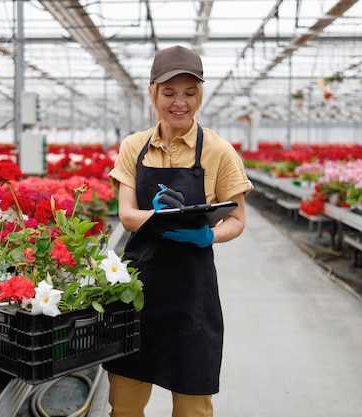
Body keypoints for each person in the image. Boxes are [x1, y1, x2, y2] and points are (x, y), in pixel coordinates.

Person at [102, 45, 254, 417]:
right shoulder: (134, 147)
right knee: (124, 399)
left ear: (199, 95)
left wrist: (208, 236)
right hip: (137, 285)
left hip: (192, 292)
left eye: (189, 93)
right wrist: (154, 218)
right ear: (153, 92)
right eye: (169, 93)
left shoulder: (218, 151)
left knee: (192, 402)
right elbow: (125, 215)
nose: (179, 103)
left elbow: (237, 219)